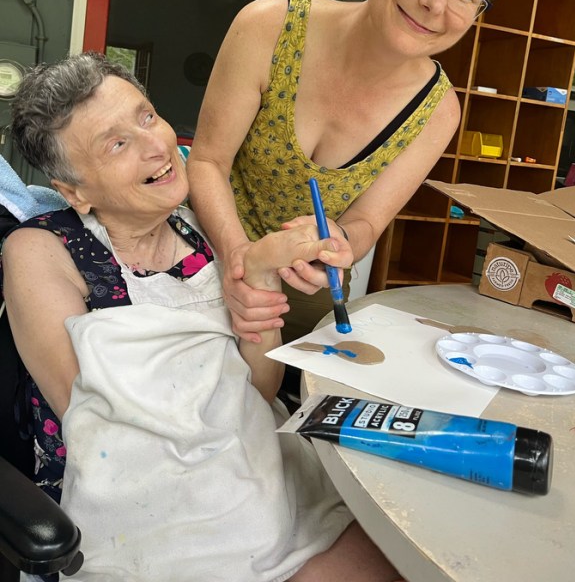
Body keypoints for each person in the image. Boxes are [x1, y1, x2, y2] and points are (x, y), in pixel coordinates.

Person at [1, 53, 401, 582]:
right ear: (75, 191)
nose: (156, 146)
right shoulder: (40, 250)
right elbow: (103, 420)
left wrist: (256, 274)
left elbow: (257, 393)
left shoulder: (202, 230)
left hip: (254, 475)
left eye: (147, 116)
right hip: (139, 509)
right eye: (116, 143)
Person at [187, 0, 528, 345]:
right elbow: (207, 162)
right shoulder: (269, 26)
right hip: (207, 254)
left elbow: (366, 222)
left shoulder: (436, 112)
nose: (435, 2)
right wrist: (242, 260)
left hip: (309, 288)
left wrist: (341, 241)